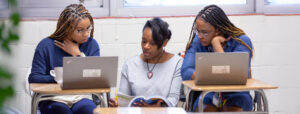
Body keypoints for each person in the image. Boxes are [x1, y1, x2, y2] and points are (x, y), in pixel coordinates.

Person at [28, 4, 100, 114]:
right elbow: (34, 78)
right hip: (52, 98)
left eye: (88, 28)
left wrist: (78, 54)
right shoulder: (46, 46)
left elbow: (95, 78)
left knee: (90, 111)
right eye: (80, 30)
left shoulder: (91, 45)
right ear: (66, 28)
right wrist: (59, 79)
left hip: (81, 97)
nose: (86, 34)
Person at [181, 5, 253, 112]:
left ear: (218, 30)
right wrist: (208, 75)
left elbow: (233, 74)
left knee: (233, 110)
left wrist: (216, 45)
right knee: (206, 110)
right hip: (209, 93)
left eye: (205, 32)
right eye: (198, 31)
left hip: (237, 93)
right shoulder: (198, 41)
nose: (200, 36)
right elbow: (186, 71)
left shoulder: (241, 41)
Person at [109, 17, 182, 107]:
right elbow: (123, 98)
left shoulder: (177, 63)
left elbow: (173, 99)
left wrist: (156, 109)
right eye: (143, 41)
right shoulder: (130, 64)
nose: (146, 46)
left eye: (152, 43)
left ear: (164, 42)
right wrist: (117, 103)